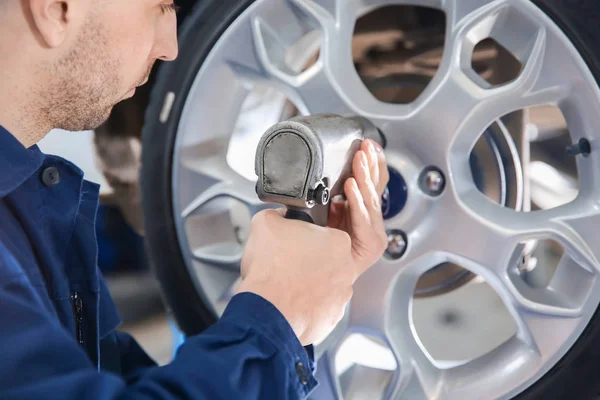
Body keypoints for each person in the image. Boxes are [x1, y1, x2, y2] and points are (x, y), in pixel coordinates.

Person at [0, 0, 390, 399]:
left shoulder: (26, 204)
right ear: (57, 8)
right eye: (161, 7)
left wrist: (304, 301)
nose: (170, 48)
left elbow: (121, 385)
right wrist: (276, 313)